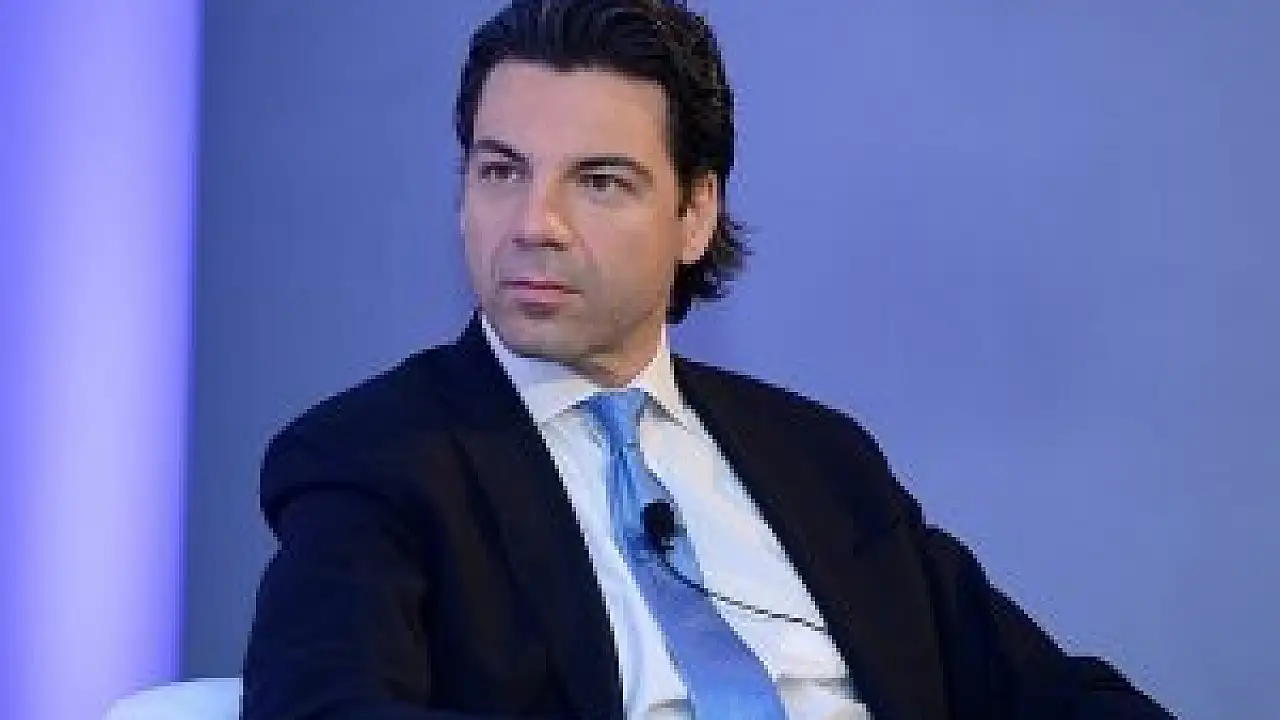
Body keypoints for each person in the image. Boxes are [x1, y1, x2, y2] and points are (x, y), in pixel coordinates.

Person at [241, 1, 1173, 718]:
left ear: (695, 214)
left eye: (598, 181)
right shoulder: (375, 458)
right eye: (501, 171)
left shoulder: (820, 460)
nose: (533, 224)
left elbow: (1047, 693)